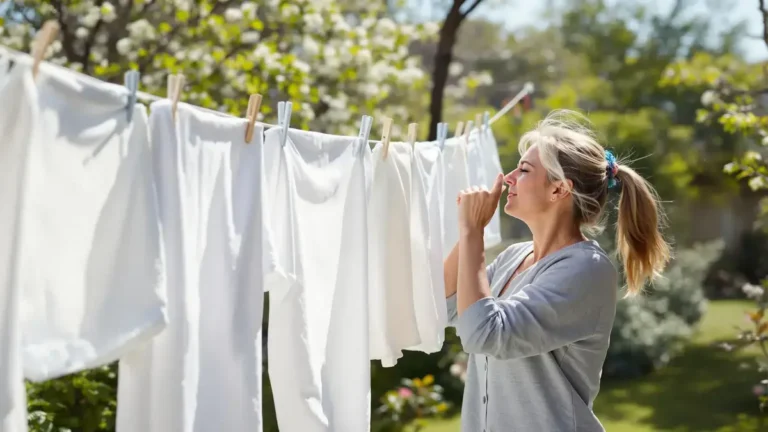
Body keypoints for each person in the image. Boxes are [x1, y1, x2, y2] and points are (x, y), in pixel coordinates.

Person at [444, 109, 671, 432]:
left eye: (523, 169)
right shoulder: (514, 256)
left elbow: (485, 334)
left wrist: (473, 231)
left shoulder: (585, 270)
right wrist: (468, 231)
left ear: (559, 190)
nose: (508, 178)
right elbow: (448, 306)